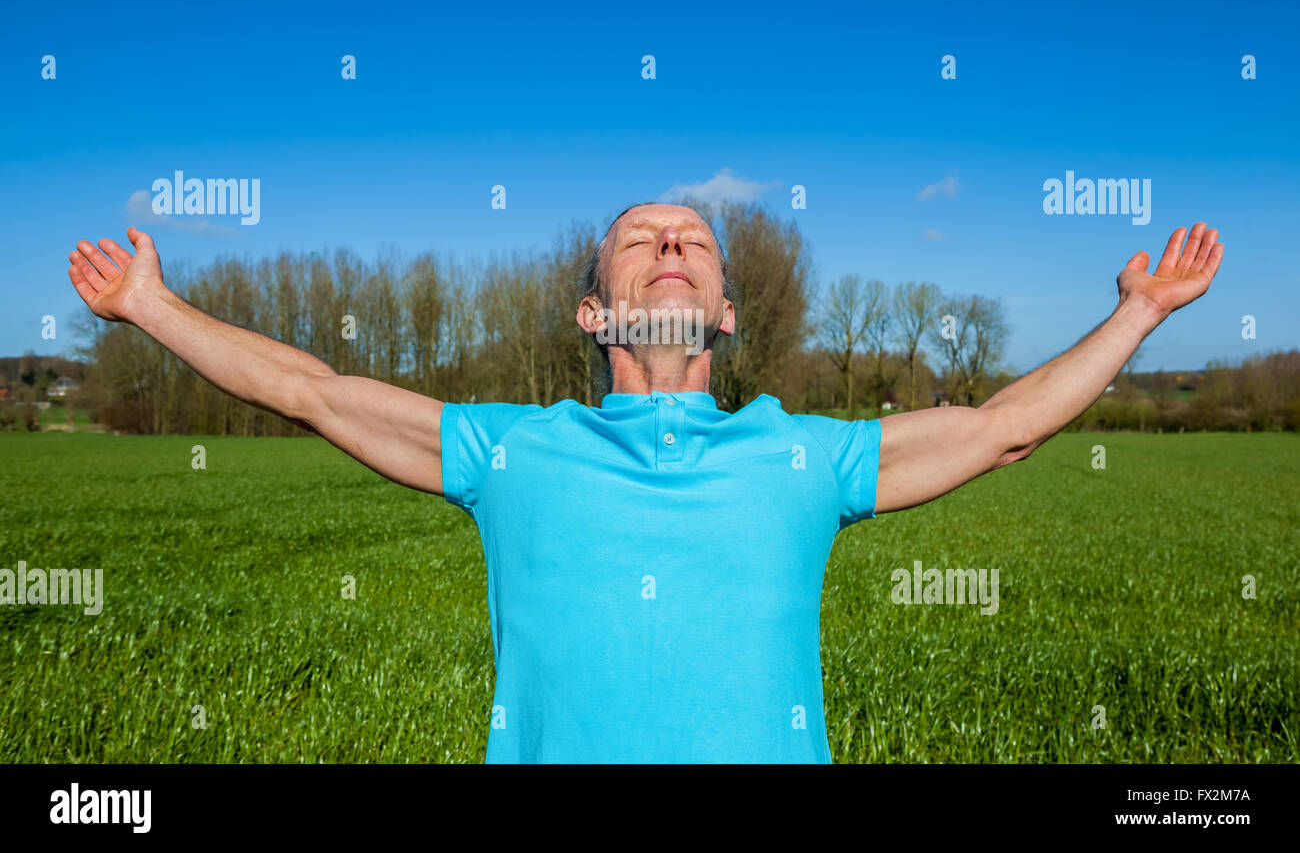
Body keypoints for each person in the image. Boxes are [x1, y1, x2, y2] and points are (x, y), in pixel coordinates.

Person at [67, 203, 1224, 762]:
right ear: (593, 308)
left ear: (726, 309)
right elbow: (310, 388)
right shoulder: (509, 447)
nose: (671, 241)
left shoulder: (801, 454)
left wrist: (1134, 313)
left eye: (694, 239)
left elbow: (998, 428)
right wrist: (150, 305)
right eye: (639, 237)